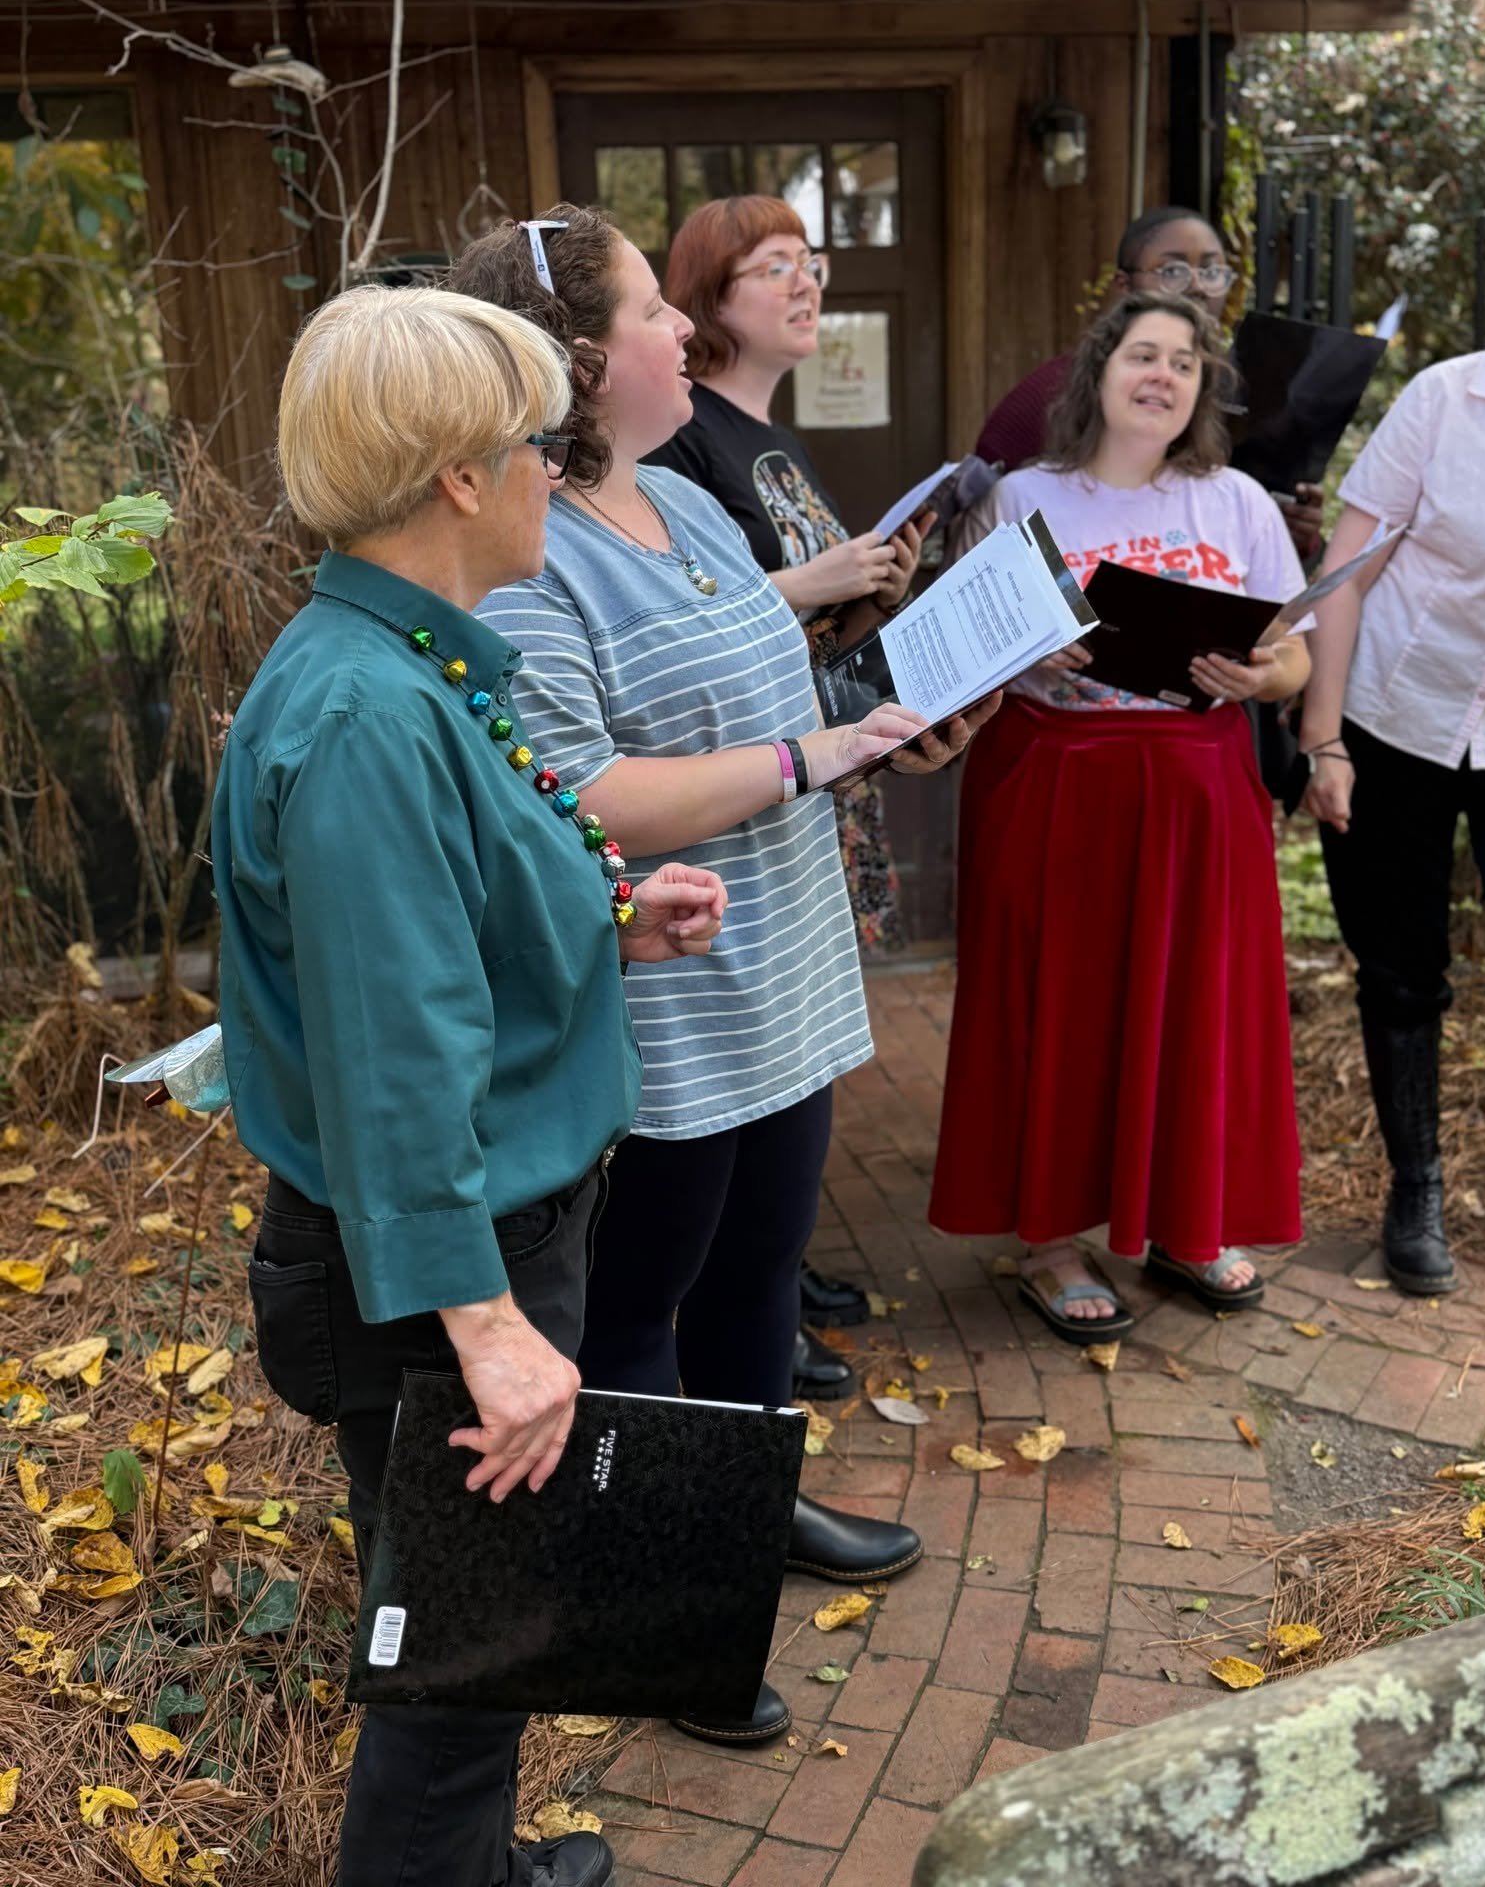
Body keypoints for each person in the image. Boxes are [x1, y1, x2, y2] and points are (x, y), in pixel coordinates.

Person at [446, 208, 992, 1747]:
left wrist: (890, 722)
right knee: (641, 1313)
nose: (683, 333)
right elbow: (586, 793)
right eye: (650, 314)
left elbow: (779, 692)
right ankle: (669, 1612)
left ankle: (750, 1512)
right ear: (572, 362)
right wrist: (812, 753)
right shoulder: (523, 552)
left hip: (784, 970)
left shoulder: (681, 508)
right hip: (664, 997)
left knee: (762, 1275)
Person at [213, 284, 728, 1887]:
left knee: (481, 1630)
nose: (554, 476)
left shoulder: (411, 660)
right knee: (460, 1657)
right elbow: (391, 1055)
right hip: (445, 1269)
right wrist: (487, 1325)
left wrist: (604, 919)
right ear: (453, 476)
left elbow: (436, 937)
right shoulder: (367, 716)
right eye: (534, 445)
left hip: (478, 1241)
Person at [929, 292, 1310, 1340]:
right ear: (1096, 371)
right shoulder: (1024, 498)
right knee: (1057, 1006)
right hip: (1058, 784)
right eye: (1143, 354)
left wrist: (1260, 669)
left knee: (1198, 1005)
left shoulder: (1236, 501)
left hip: (1199, 790)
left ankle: (1189, 1223)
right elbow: (960, 648)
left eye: (1185, 363)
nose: (1163, 375)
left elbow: (1297, 657)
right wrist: (1024, 644)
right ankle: (1049, 1240)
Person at [652, 192, 924, 1359]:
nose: (807, 283)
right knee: (756, 1044)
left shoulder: (768, 435)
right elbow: (683, 625)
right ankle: (742, 1301)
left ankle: (775, 1276)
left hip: (818, 760)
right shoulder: (682, 440)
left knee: (800, 1054)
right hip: (749, 785)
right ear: (708, 297)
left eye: (812, 262)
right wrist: (821, 584)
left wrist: (876, 589)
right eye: (775, 266)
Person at [1300, 318, 1485, 1296]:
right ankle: (1417, 1187)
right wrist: (1325, 739)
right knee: (1402, 967)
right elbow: (1345, 577)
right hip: (1398, 711)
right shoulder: (1446, 400)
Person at [976, 204, 1324, 562]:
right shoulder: (1050, 393)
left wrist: (1293, 529)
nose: (1197, 286)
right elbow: (982, 501)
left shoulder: (1240, 408)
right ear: (1124, 286)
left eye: (1212, 270)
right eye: (1172, 271)